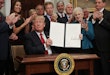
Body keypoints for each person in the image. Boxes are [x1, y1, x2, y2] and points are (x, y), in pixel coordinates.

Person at [90, 0, 110, 75]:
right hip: (94, 47)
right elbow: (89, 28)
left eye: (99, 2)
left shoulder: (108, 14)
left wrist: (101, 19)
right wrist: (93, 20)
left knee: (105, 70)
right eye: (96, 3)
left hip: (105, 48)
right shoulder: (92, 14)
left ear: (104, 4)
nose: (97, 4)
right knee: (95, 70)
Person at [0, 0, 19, 75]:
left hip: (3, 51)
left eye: (3, 3)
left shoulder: (1, 14)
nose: (2, 5)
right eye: (0, 3)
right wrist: (7, 22)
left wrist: (10, 24)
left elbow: (3, 29)